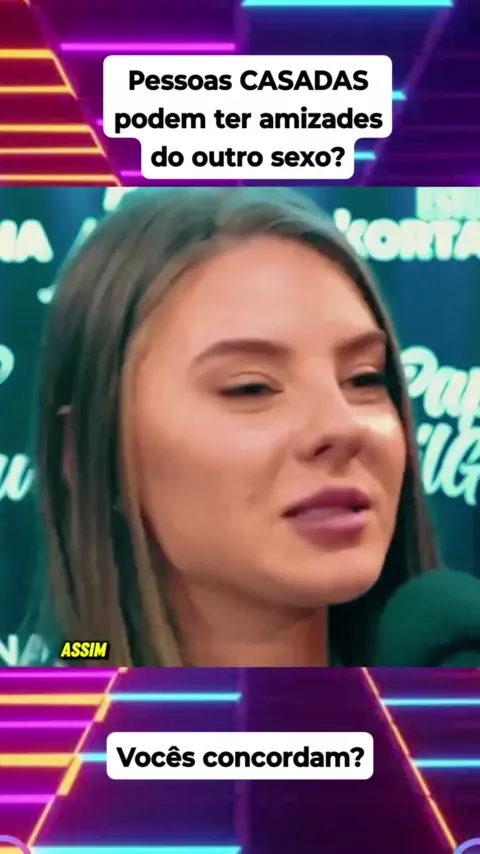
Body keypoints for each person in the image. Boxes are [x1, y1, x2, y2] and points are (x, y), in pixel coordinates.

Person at [30, 187, 438, 668]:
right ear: (87, 457)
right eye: (250, 388)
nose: (343, 427)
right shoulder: (58, 701)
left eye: (364, 378)